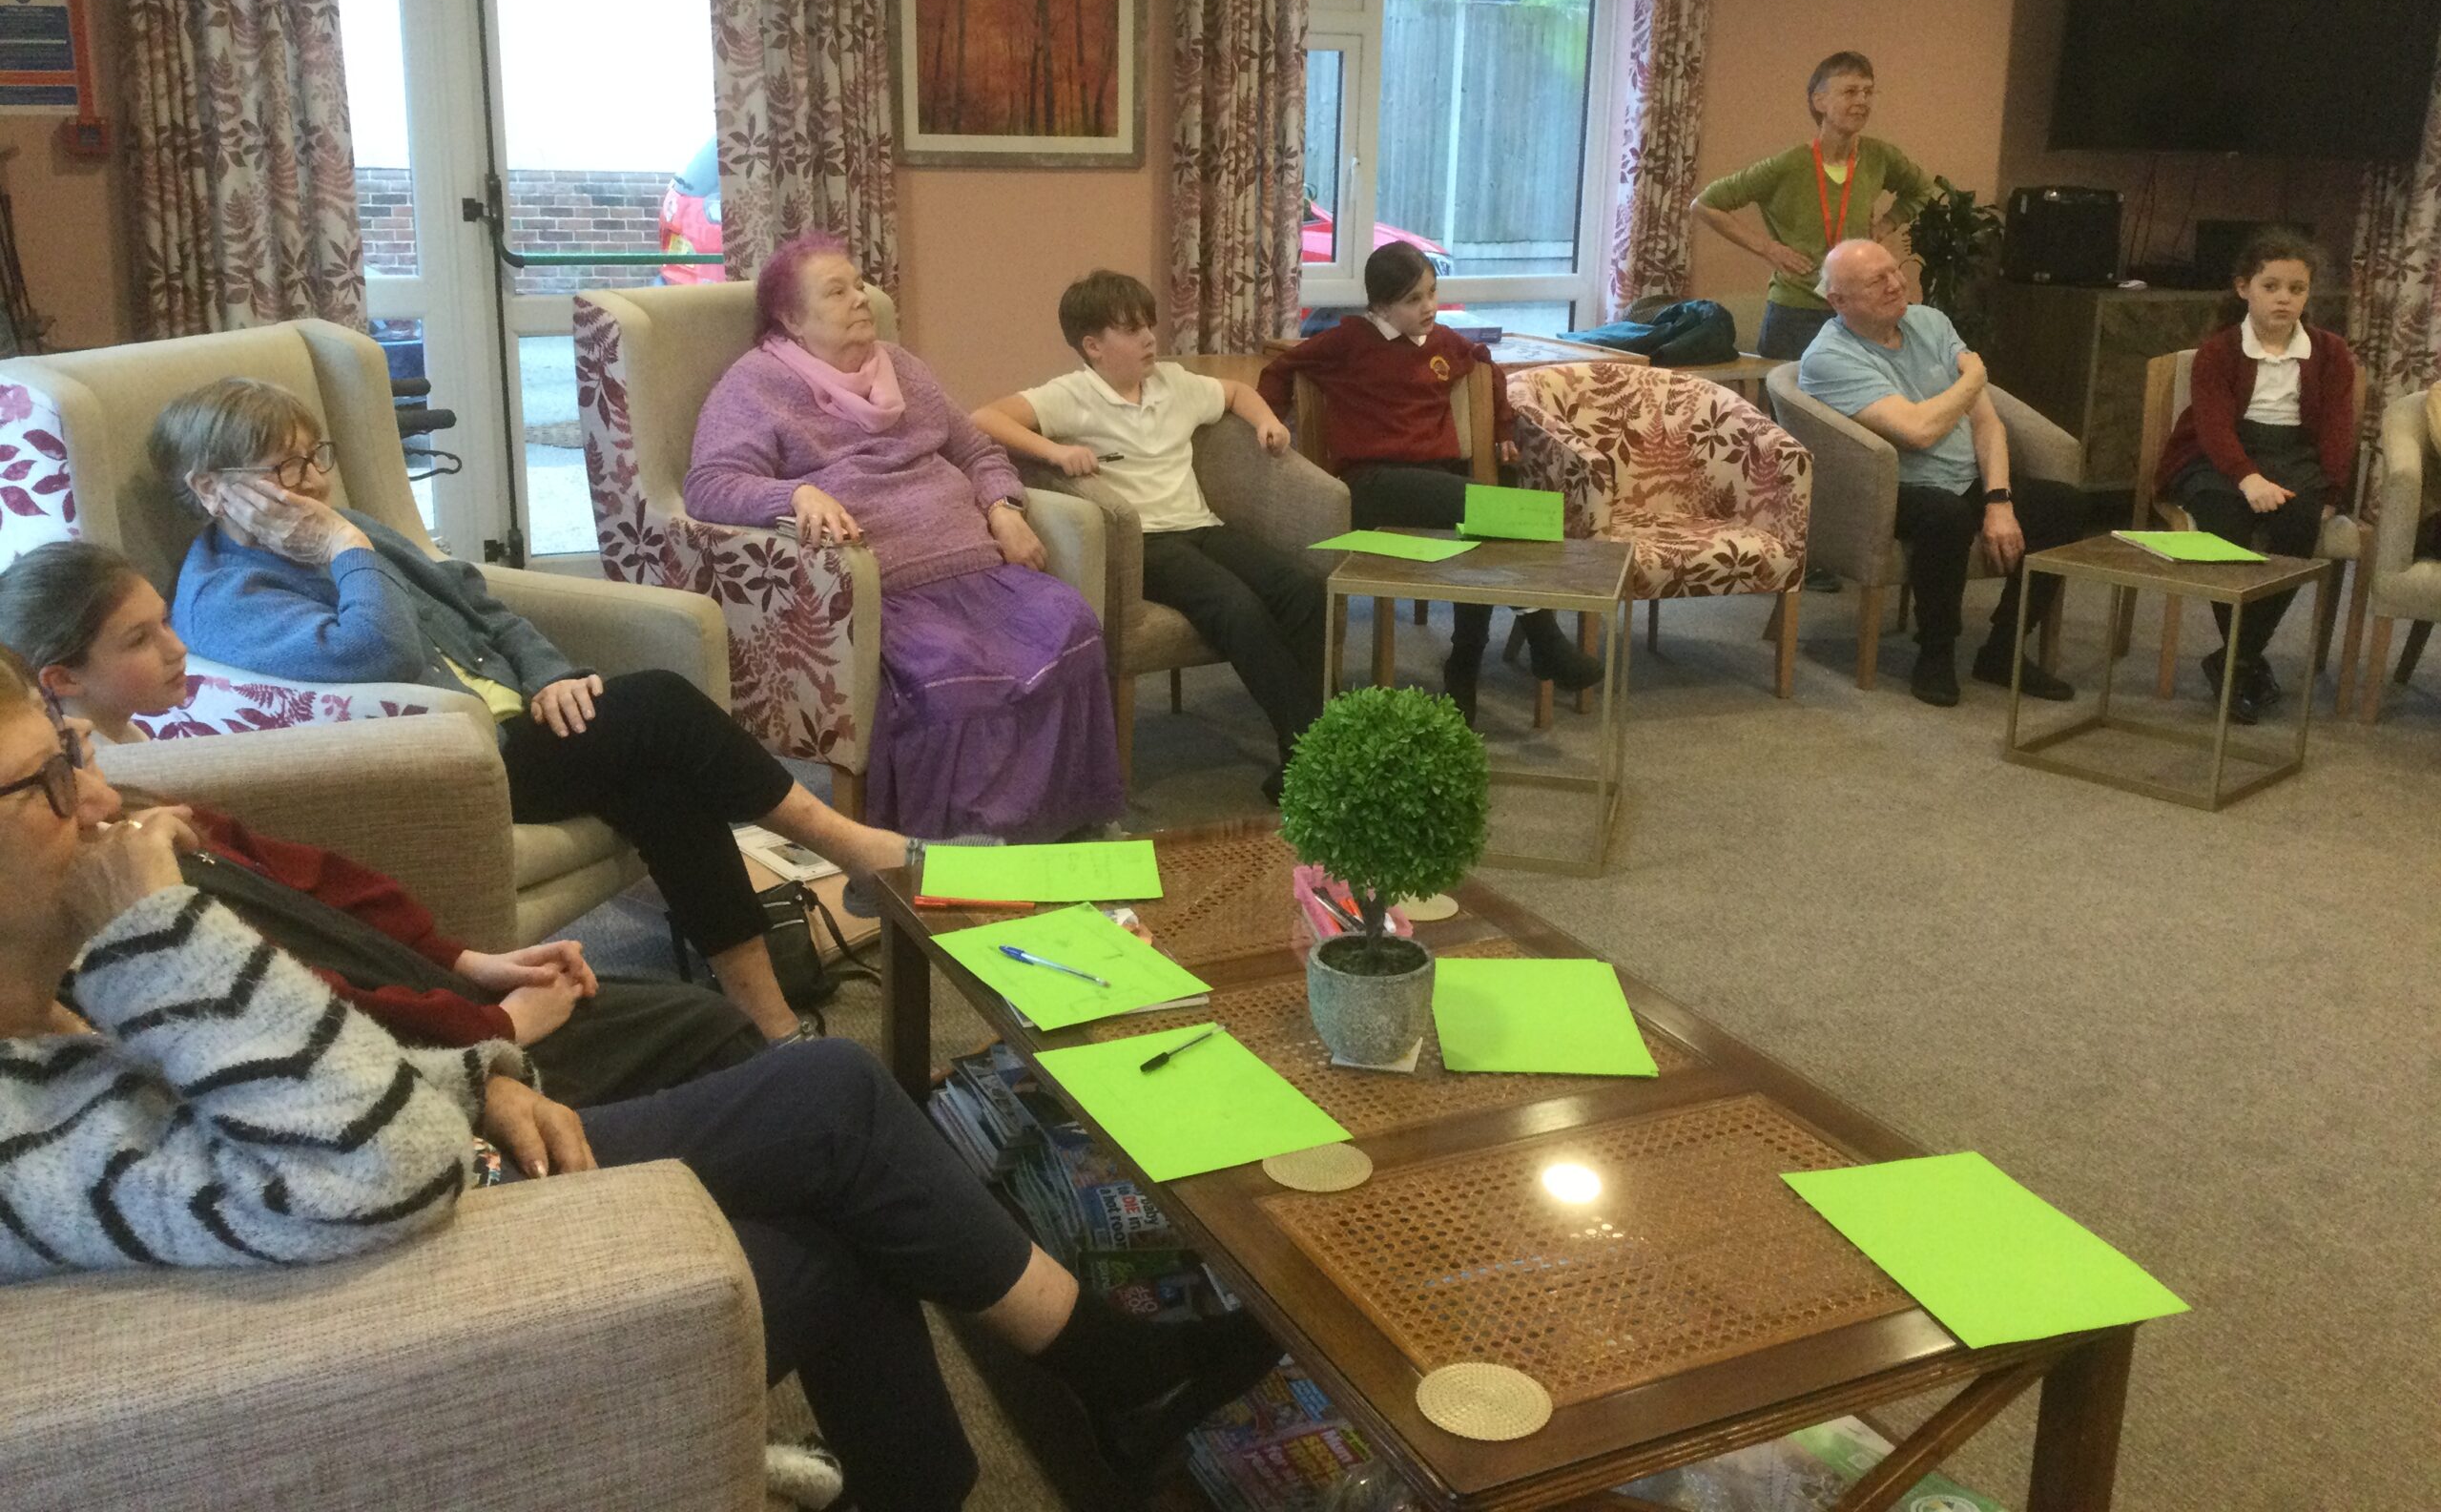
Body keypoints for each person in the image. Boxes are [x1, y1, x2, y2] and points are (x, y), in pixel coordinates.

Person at [0, 646, 1281, 1509]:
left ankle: (1013, 1433)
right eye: (47, 780)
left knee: (826, 1182)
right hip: (391, 1297)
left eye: (72, 756)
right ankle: (1101, 1373)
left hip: (429, 1175)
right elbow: (363, 1164)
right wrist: (154, 933)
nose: (97, 803)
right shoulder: (59, 1047)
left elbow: (318, 1083)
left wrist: (478, 1073)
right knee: (828, 1111)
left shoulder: (54, 972)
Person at [146, 379, 911, 1043]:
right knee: (661, 706)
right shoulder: (227, 598)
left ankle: (767, 1022)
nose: (313, 483)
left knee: (661, 786)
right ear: (214, 488)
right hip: (452, 761)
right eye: (285, 468)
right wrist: (343, 547)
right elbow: (372, 653)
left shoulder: (355, 533)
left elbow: (483, 608)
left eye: (318, 457)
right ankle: (859, 853)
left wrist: (553, 674)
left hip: (525, 725)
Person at [0, 538, 765, 1105]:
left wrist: (466, 961)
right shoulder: (90, 900)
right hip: (416, 1056)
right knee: (656, 715)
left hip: (434, 993)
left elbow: (316, 888)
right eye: (141, 638)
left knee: (659, 782)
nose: (176, 647)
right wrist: (492, 1029)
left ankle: (770, 1000)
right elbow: (294, 1011)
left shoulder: (142, 792)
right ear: (58, 685)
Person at [685, 234, 1123, 840]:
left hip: (980, 567)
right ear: (790, 317)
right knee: (953, 675)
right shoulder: (755, 385)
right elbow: (710, 484)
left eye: (858, 285)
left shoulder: (902, 367)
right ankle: (958, 845)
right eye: (836, 292)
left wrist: (1002, 507)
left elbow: (975, 447)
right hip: (884, 586)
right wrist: (794, 494)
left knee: (1070, 627)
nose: (859, 299)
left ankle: (1065, 828)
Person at [975, 269, 1327, 797]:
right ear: (1093, 346)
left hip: (1202, 525)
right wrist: (1056, 452)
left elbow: (1234, 392)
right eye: (1131, 329)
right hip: (1146, 543)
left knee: (1304, 588)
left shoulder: (1173, 383)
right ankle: (1312, 755)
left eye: (1149, 326)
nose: (1148, 339)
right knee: (1237, 607)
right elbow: (981, 418)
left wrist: (1265, 421)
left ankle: (1320, 742)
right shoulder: (1072, 395)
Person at [1255, 241, 1603, 722]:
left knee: (1486, 539)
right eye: (1414, 300)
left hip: (1439, 484)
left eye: (1432, 293)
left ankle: (1465, 664)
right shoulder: (1348, 342)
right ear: (1381, 305)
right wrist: (1270, 422)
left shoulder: (1442, 342)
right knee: (1498, 512)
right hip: (1376, 484)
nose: (1429, 307)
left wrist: (1503, 429)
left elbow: (1485, 362)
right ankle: (1543, 641)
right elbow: (1279, 369)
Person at [1797, 239, 2086, 707]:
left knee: (2065, 505)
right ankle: (1935, 652)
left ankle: (2004, 649)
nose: (1897, 284)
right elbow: (1920, 432)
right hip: (1892, 489)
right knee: (1945, 515)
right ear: (1839, 301)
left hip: (1967, 478)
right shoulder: (1829, 357)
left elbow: (1987, 422)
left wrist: (1999, 501)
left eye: (1895, 270)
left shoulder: (1930, 322)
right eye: (1878, 280)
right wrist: (1974, 377)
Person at [2152, 227, 2357, 724]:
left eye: (2297, 288)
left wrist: (2330, 490)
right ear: (2244, 287)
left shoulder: (2330, 353)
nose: (2284, 299)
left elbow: (2336, 428)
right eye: (2271, 286)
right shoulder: (2219, 351)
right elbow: (2213, 426)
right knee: (2226, 522)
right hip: (2218, 454)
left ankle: (2235, 660)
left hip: (2294, 456)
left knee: (2297, 525)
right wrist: (2247, 479)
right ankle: (2244, 665)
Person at [1691, 51, 1937, 363]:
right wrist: (1768, 248)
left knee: (1850, 408)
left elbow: (1921, 190)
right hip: (1795, 312)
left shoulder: (1880, 157)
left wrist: (1887, 224)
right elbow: (1705, 205)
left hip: (1855, 309)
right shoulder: (1788, 165)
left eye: (1868, 91)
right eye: (1850, 91)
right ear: (1819, 101)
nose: (1862, 100)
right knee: (1786, 408)